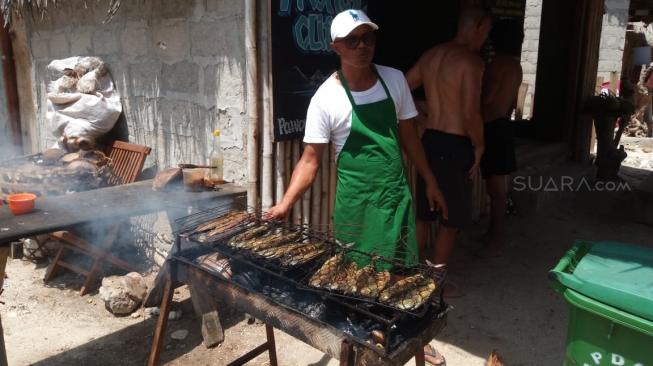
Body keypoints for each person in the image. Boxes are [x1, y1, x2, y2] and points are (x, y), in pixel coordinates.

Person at [266, 9, 446, 266]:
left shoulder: (394, 79)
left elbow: (409, 136)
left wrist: (430, 180)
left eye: (367, 38)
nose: (362, 46)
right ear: (336, 47)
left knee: (397, 277)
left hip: (394, 197)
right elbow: (309, 161)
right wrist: (285, 204)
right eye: (352, 40)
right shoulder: (325, 98)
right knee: (356, 279)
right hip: (355, 205)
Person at [406, 7, 490, 285]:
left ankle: (412, 276)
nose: (486, 38)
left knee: (424, 215)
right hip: (455, 144)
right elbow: (469, 113)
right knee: (450, 219)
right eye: (486, 30)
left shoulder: (432, 55)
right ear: (475, 27)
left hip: (429, 140)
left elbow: (402, 88)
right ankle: (433, 283)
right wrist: (479, 146)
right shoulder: (471, 62)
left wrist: (421, 116)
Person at [477, 19, 523, 257]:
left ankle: (497, 237)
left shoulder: (497, 64)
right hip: (503, 124)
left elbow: (487, 99)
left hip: (492, 127)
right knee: (498, 189)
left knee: (495, 190)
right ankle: (496, 233)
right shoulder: (515, 66)